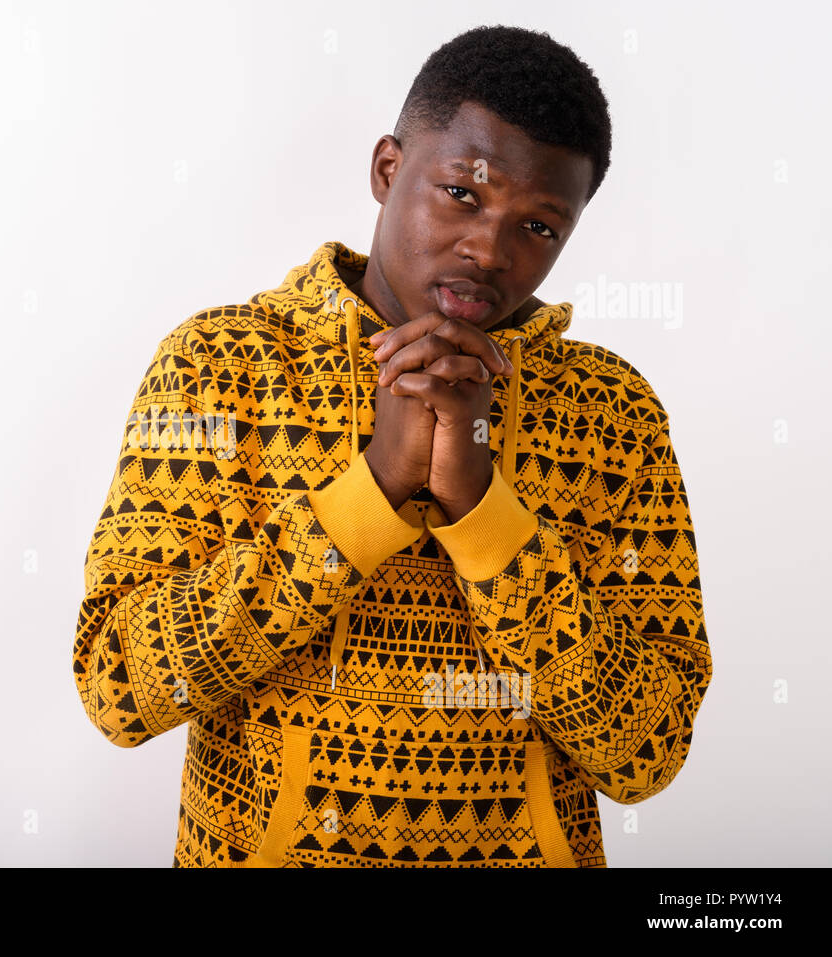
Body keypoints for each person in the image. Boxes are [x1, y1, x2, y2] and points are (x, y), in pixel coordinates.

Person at [72, 24, 711, 868]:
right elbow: (121, 689)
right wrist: (368, 495)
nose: (489, 249)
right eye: (462, 194)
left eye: (540, 229)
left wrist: (486, 517)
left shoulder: (611, 413)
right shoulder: (221, 366)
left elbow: (646, 752)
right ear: (386, 170)